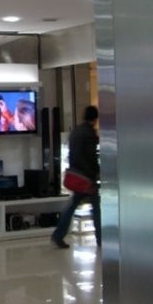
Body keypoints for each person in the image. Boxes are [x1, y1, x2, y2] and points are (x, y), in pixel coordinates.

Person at [52, 105, 101, 248]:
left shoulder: (76, 130)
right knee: (96, 208)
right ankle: (100, 238)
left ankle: (58, 235)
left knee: (72, 205)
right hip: (87, 177)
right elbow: (91, 156)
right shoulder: (89, 133)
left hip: (75, 174)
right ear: (95, 118)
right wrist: (95, 173)